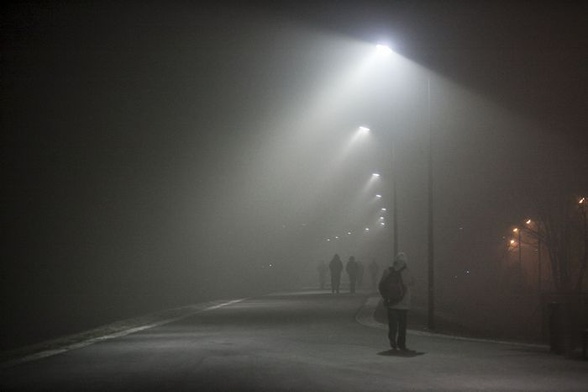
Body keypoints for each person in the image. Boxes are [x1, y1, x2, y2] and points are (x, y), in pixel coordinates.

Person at [379, 252, 415, 352]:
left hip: (391, 302)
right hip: (404, 302)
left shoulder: (388, 271)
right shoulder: (407, 271)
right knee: (402, 325)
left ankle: (392, 340)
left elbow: (381, 285)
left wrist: (386, 296)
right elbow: (412, 282)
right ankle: (401, 344)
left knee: (393, 324)